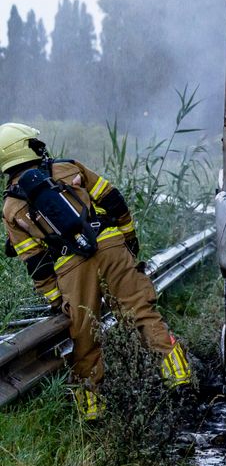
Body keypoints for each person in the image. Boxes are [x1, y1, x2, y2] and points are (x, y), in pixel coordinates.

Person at [1, 123, 193, 420]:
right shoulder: (68, 167)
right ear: (27, 147)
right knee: (141, 311)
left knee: (84, 335)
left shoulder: (11, 207)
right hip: (110, 244)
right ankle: (179, 375)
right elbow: (114, 200)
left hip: (71, 265)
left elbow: (36, 262)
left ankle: (92, 409)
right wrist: (128, 239)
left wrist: (56, 299)